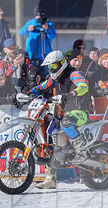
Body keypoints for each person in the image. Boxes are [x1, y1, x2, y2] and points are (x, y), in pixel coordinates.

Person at [31, 50, 91, 190]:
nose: (51, 69)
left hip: (80, 111)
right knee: (49, 140)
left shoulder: (74, 73)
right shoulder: (55, 78)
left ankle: (81, 151)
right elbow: (43, 85)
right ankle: (50, 179)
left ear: (61, 64)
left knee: (66, 122)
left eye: (53, 66)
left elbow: (83, 86)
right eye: (49, 67)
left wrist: (73, 92)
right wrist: (32, 91)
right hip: (63, 112)